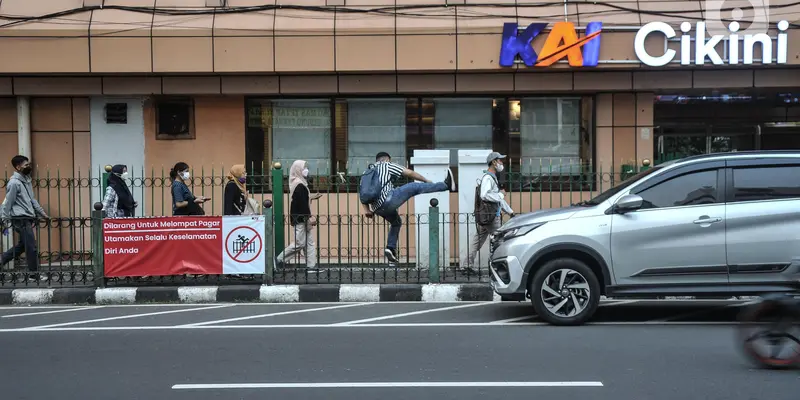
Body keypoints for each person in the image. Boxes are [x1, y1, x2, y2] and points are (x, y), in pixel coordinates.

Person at [362, 151, 455, 263]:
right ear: (387, 159)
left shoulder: (366, 173)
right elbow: (409, 173)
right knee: (413, 186)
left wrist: (367, 210)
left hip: (377, 208)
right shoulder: (387, 165)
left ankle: (390, 248)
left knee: (396, 222)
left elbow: (362, 193)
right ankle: (445, 185)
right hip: (388, 200)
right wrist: (426, 180)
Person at [0, 155, 48, 279]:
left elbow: (32, 200)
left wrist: (42, 213)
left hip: (27, 217)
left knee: (22, 246)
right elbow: (7, 202)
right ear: (18, 167)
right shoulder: (14, 183)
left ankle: (1, 260)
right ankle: (34, 274)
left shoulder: (26, 181)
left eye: (28, 164)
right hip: (20, 218)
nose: (29, 167)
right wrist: (4, 220)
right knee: (31, 247)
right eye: (26, 165)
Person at [466, 152, 514, 273]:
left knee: (477, 241)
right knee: (500, 241)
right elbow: (485, 195)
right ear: (494, 162)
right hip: (492, 217)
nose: (501, 163)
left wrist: (510, 211)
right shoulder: (488, 178)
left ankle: (466, 266)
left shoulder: (492, 177)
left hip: (488, 215)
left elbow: (498, 200)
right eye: (500, 160)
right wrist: (500, 194)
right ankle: (497, 267)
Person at [276, 160, 322, 270]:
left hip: (302, 216)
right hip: (300, 217)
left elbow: (301, 199)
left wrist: (310, 197)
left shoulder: (300, 183)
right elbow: (301, 203)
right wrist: (309, 217)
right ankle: (278, 259)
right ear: (298, 170)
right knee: (299, 243)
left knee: (309, 242)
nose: (306, 170)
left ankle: (311, 266)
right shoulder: (299, 184)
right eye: (303, 168)